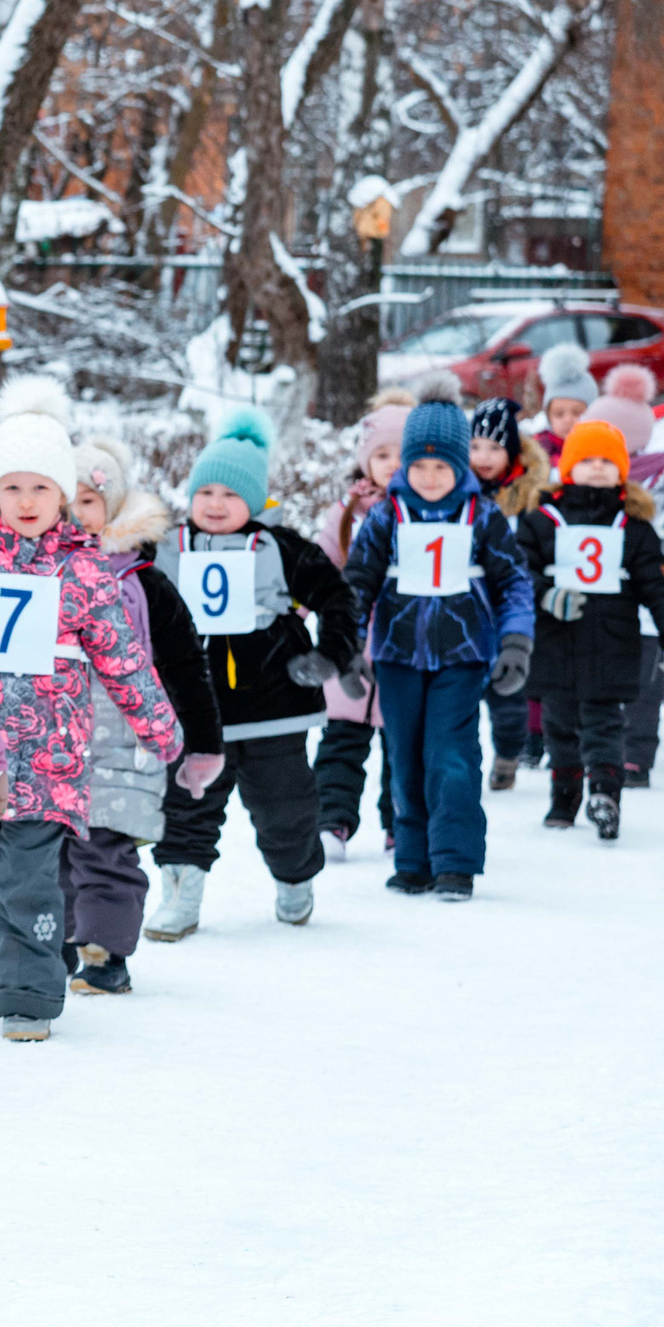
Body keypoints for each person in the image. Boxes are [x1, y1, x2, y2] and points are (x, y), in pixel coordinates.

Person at [0, 379, 183, 1041]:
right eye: (13, 487)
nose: (27, 501)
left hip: (50, 760)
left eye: (42, 488)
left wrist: (157, 725)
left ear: (63, 497)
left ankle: (28, 996)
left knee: (28, 881)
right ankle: (19, 955)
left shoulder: (84, 574)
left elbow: (124, 657)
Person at [146, 412, 359, 935]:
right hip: (196, 712)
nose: (215, 504)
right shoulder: (167, 548)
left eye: (230, 494)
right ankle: (182, 894)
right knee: (186, 807)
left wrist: (331, 655)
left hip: (273, 709)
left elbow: (338, 597)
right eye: (206, 492)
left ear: (256, 501)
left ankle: (295, 880)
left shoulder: (280, 547)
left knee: (285, 809)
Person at [343, 399, 535, 901]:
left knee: (450, 755)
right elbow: (358, 584)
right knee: (405, 756)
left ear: (460, 465)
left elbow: (514, 582)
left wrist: (515, 641)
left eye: (442, 466)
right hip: (398, 655)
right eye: (419, 465)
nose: (429, 477)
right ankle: (413, 859)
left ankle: (455, 862)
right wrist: (347, 645)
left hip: (463, 654)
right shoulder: (386, 516)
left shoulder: (482, 514)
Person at [68, 437, 223, 987]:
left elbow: (186, 663)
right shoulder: (32, 577)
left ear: (113, 507)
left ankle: (107, 955)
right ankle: (58, 943)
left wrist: (203, 741)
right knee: (51, 853)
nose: (76, 512)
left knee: (105, 847)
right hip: (49, 741)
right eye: (68, 498)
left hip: (124, 741)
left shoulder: (143, 581)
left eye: (90, 500)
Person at [514, 419, 664, 839]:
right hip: (556, 639)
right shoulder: (542, 519)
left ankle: (606, 794)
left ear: (623, 470)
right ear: (569, 466)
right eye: (587, 459)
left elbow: (659, 587)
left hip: (613, 642)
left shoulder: (633, 527)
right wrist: (547, 595)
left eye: (607, 461)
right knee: (559, 724)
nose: (597, 468)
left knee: (605, 723)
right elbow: (519, 572)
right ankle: (564, 796)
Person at [314, 385, 425, 863]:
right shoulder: (344, 515)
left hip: (406, 642)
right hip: (352, 647)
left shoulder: (426, 513)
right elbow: (318, 568)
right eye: (382, 454)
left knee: (402, 743)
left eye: (404, 454)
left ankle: (398, 821)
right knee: (341, 738)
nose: (392, 464)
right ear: (364, 461)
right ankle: (331, 819)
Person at [585, 365, 664, 787]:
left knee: (645, 685)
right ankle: (595, 753)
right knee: (597, 684)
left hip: (649, 600)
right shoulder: (590, 483)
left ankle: (637, 756)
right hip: (601, 604)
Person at [467, 398, 550, 789]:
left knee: (507, 695)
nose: (484, 457)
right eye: (476, 446)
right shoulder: (454, 492)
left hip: (510, 612)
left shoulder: (529, 500)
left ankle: (508, 753)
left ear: (512, 453)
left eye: (495, 448)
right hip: (464, 610)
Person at [533, 343, 598, 461]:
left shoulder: (601, 453)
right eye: (559, 414)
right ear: (548, 417)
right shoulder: (539, 454)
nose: (567, 420)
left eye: (577, 413)